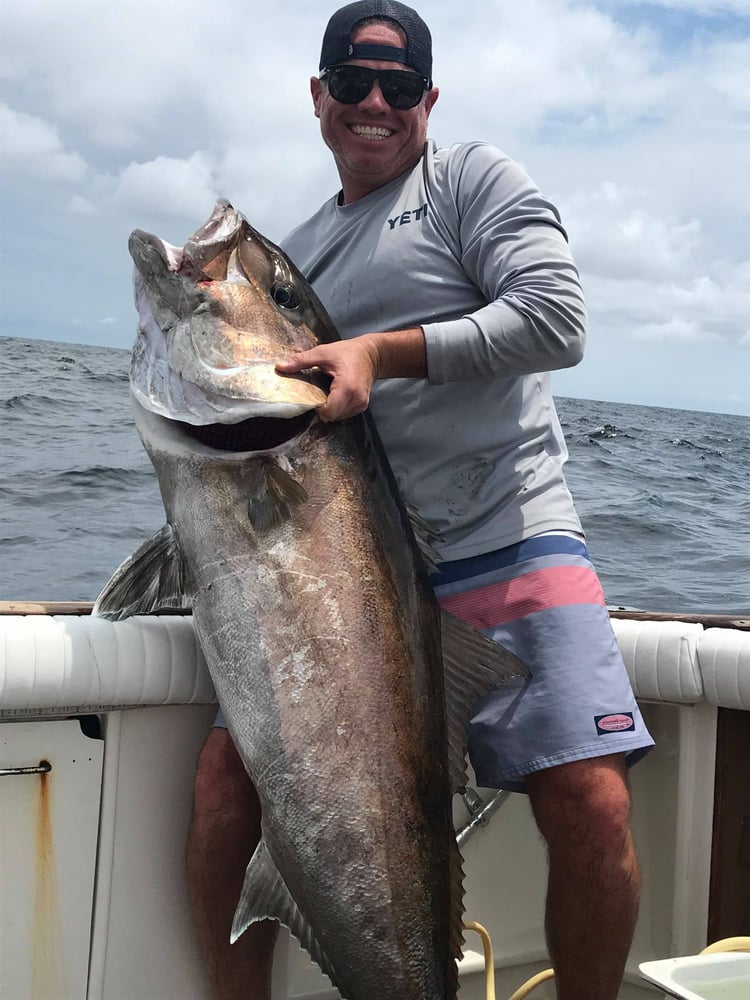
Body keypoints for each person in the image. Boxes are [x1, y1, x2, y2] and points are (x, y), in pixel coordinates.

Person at [186, 3, 655, 998]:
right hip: (354, 574)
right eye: (351, 80)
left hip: (508, 535)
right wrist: (214, 307)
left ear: (428, 102)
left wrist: (377, 354)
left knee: (592, 800)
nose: (374, 103)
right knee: (228, 794)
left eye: (399, 88)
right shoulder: (301, 250)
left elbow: (555, 317)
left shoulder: (472, 181)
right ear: (318, 96)